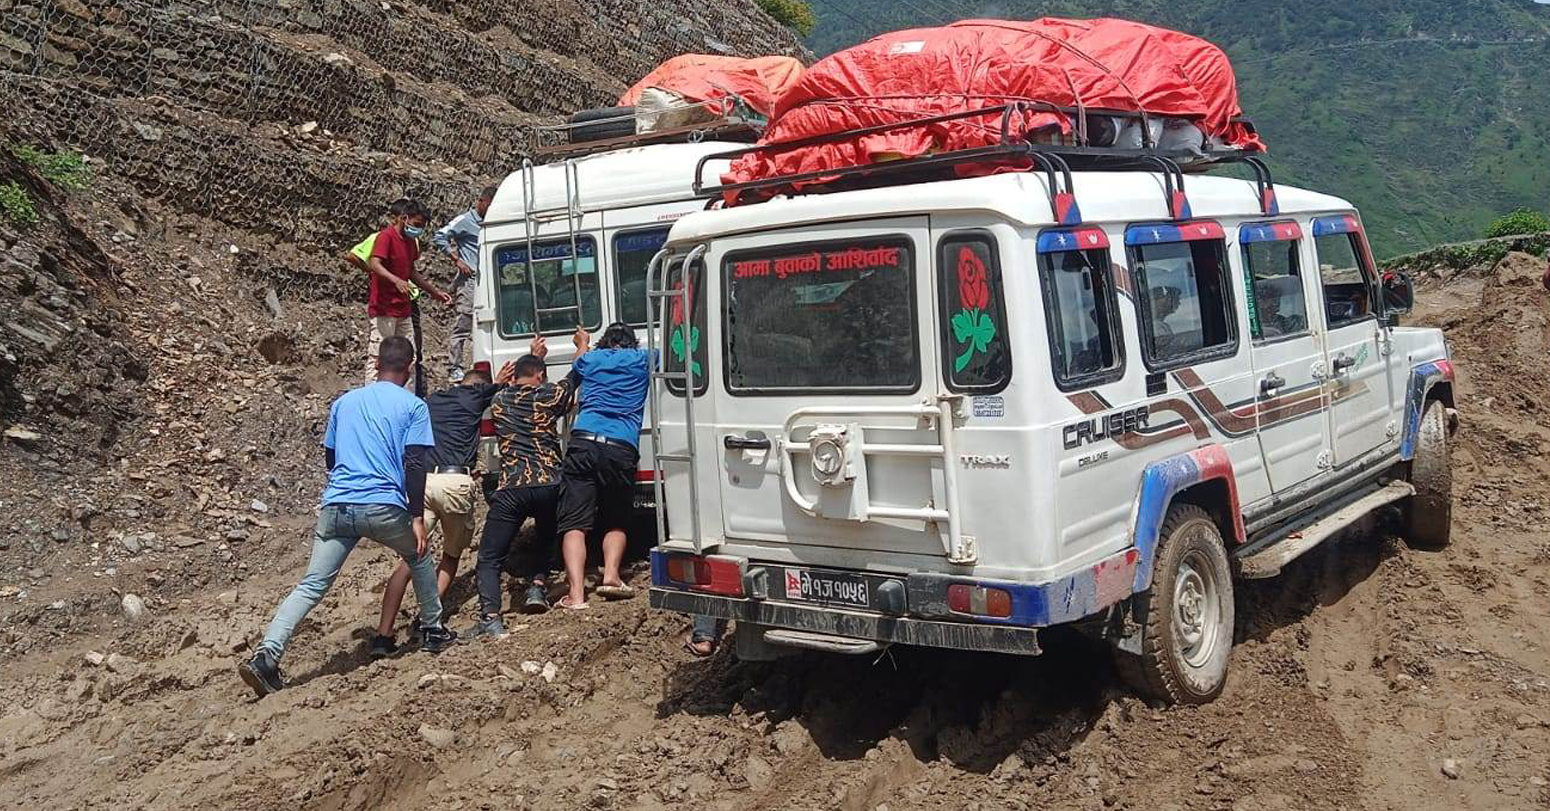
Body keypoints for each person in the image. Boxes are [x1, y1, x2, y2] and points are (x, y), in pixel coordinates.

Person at [239, 337, 456, 699]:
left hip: (337, 507)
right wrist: (416, 517)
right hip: (383, 506)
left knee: (311, 585)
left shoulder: (344, 402)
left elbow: (330, 457)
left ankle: (266, 656)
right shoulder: (414, 406)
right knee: (418, 555)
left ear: (376, 363)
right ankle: (433, 630)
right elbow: (416, 464)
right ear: (410, 366)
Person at [371, 359, 516, 656]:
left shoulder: (432, 401)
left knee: (409, 559)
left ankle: (383, 636)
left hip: (424, 482)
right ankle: (428, 623)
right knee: (451, 556)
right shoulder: (475, 396)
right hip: (454, 483)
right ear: (477, 387)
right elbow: (495, 387)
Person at [467, 328, 589, 638]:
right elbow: (576, 374)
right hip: (549, 483)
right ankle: (537, 586)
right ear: (539, 377)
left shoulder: (499, 399)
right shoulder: (548, 396)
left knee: (490, 556)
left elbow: (521, 378)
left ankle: (491, 618)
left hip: (512, 488)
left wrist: (534, 357)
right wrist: (582, 345)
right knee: (547, 533)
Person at [556, 322, 654, 609]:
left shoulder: (591, 359)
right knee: (616, 518)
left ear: (604, 343)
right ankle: (611, 576)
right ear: (632, 343)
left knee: (574, 523)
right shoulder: (644, 358)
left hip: (584, 442)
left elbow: (575, 372)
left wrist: (581, 344)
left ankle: (575, 596)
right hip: (621, 447)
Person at [364, 198, 451, 388]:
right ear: (404, 218)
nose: (418, 229)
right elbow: (374, 264)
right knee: (378, 355)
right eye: (416, 224)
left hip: (403, 309)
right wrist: (395, 280)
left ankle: (406, 395)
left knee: (408, 354)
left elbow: (411, 271)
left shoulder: (410, 242)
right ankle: (372, 394)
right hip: (384, 308)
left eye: (421, 227)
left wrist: (433, 291)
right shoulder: (385, 237)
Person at [433, 185, 497, 383]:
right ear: (482, 201)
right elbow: (440, 235)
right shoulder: (466, 221)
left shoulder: (493, 221)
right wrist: (456, 259)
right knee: (464, 322)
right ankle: (455, 367)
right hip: (470, 280)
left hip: (490, 279)